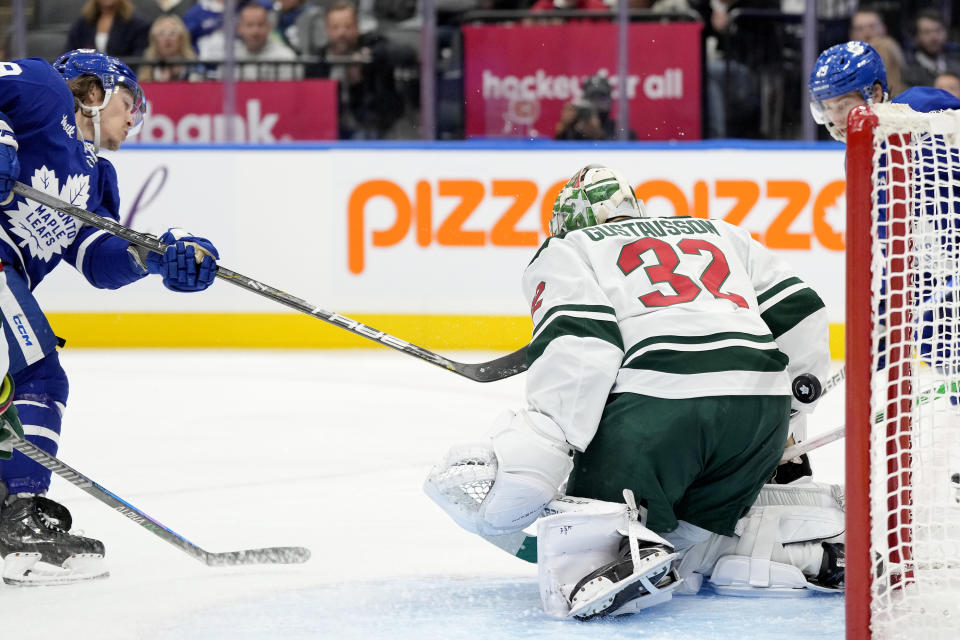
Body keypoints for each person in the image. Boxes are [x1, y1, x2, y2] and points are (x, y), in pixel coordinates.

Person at [425, 164, 837, 619]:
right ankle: (810, 552)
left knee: (584, 547)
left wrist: (543, 446)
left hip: (659, 413)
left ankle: (623, 550)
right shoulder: (722, 231)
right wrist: (794, 413)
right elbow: (800, 313)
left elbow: (581, 350)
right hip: (759, 419)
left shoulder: (569, 248)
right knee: (690, 541)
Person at [0, 49, 220, 585]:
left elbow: (96, 257)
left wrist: (152, 257)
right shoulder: (41, 87)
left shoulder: (95, 175)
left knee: (19, 384)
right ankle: (19, 523)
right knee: (36, 373)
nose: (133, 120)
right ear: (94, 90)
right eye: (130, 104)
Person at [308, 1, 403, 139]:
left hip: (371, 127)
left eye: (348, 26)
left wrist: (367, 59)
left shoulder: (372, 45)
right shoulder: (318, 61)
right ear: (327, 30)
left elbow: (399, 52)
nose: (342, 32)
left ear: (357, 27)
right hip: (330, 129)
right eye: (336, 27)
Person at [234, 2, 302, 81]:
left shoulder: (286, 57)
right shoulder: (229, 56)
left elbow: (288, 91)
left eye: (261, 24)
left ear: (269, 27)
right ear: (239, 28)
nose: (255, 31)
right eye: (249, 25)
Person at [554, 75, 635, 141]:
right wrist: (564, 128)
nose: (597, 103)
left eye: (602, 98)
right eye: (592, 98)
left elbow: (626, 151)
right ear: (584, 100)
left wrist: (599, 135)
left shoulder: (619, 131)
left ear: (610, 101)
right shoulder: (573, 128)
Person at [66, 0, 151, 58]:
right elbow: (70, 54)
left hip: (123, 80)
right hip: (87, 79)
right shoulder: (82, 24)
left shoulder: (137, 24)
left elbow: (138, 59)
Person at [902, 9, 960, 90]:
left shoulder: (957, 65)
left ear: (946, 33)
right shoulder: (908, 71)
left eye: (938, 30)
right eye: (927, 32)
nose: (934, 37)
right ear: (916, 37)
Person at [139, 14, 204, 82]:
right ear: (154, 40)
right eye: (161, 34)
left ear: (181, 38)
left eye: (172, 33)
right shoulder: (147, 67)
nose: (167, 38)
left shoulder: (193, 65)